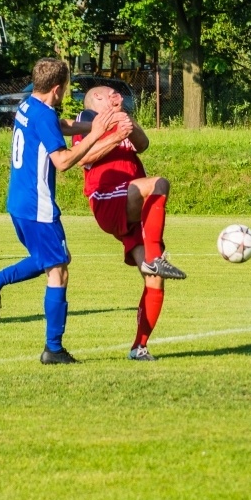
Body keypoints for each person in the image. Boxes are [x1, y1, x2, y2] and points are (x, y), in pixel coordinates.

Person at [0, 58, 132, 364]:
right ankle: (53, 349)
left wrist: (98, 125)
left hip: (20, 202)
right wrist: (99, 135)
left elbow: (60, 126)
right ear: (58, 89)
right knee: (58, 270)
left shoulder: (29, 105)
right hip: (38, 206)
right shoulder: (44, 113)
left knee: (54, 258)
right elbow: (62, 161)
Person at [72, 85, 186, 362]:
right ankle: (156, 258)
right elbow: (82, 158)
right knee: (158, 184)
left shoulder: (122, 118)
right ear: (97, 98)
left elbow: (143, 145)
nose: (117, 96)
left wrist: (127, 124)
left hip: (132, 200)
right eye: (111, 93)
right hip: (107, 196)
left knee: (155, 281)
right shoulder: (87, 118)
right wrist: (115, 137)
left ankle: (139, 347)